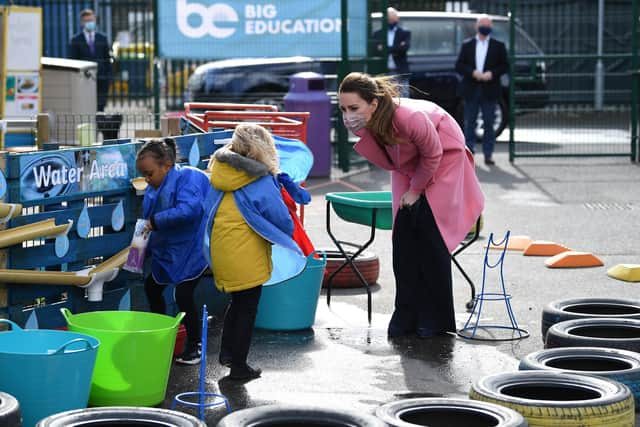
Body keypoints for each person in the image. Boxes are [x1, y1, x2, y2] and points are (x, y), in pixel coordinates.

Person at [338, 72, 484, 338]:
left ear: (373, 103)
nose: (348, 115)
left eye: (354, 108)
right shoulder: (373, 120)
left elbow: (433, 153)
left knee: (431, 237)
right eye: (343, 109)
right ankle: (406, 318)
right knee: (403, 240)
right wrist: (410, 188)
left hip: (444, 157)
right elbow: (397, 156)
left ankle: (435, 322)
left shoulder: (409, 117)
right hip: (407, 164)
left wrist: (416, 190)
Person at [204, 124, 302, 380]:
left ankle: (227, 353)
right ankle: (239, 365)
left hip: (222, 247)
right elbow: (280, 218)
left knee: (237, 303)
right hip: (246, 252)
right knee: (247, 308)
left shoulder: (219, 171)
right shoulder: (258, 179)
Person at [136, 138, 211, 365]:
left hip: (193, 248)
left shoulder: (189, 177)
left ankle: (195, 345)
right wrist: (138, 252)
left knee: (183, 294)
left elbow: (190, 210)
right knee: (152, 287)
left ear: (166, 165)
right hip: (170, 249)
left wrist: (155, 222)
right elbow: (147, 221)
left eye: (149, 174)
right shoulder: (154, 187)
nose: (147, 180)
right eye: (144, 175)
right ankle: (162, 335)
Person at [455, 14, 508, 165]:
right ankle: (469, 152)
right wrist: (473, 72)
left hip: (490, 89)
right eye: (483, 24)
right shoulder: (468, 45)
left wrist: (492, 73)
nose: (485, 27)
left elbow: (504, 65)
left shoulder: (498, 45)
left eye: (488, 25)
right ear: (476, 26)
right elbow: (459, 65)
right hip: (471, 88)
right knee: (469, 122)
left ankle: (488, 153)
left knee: (489, 122)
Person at [69, 9, 113, 111]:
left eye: (91, 20)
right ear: (82, 23)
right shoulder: (76, 40)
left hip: (101, 78)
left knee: (100, 106)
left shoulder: (102, 38)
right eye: (86, 21)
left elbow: (107, 58)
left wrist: (108, 76)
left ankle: (99, 124)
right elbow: (73, 60)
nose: (89, 23)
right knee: (86, 105)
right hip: (84, 78)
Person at [374, 7, 411, 97]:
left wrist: (385, 48)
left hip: (399, 71)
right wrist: (396, 47)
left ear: (397, 19)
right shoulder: (378, 33)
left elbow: (404, 48)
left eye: (393, 19)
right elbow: (375, 50)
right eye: (389, 19)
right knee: (385, 98)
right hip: (384, 71)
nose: (391, 21)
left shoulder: (404, 33)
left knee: (404, 97)